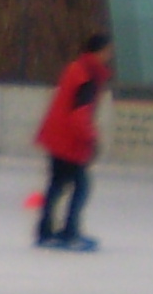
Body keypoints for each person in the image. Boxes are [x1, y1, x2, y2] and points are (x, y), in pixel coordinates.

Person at [36, 34, 114, 251]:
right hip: (68, 139)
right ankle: (70, 232)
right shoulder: (88, 75)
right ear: (99, 52)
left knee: (57, 184)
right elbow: (79, 114)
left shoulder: (77, 68)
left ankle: (45, 231)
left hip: (57, 135)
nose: (109, 56)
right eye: (107, 51)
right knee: (81, 186)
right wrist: (91, 139)